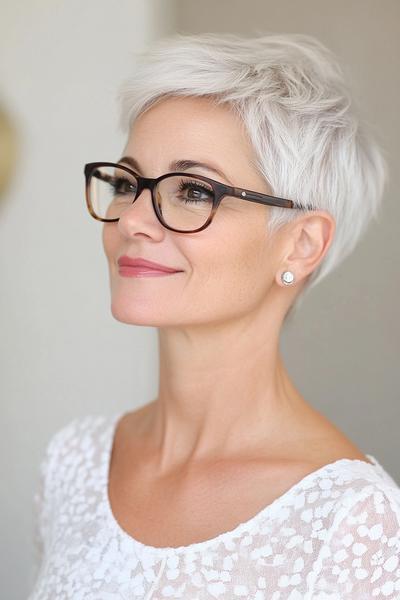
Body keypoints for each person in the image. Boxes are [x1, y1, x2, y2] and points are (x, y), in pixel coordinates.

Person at [29, 32, 400, 599]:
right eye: (128, 183)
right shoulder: (74, 464)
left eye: (194, 191)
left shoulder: (353, 521)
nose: (133, 220)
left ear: (300, 244)